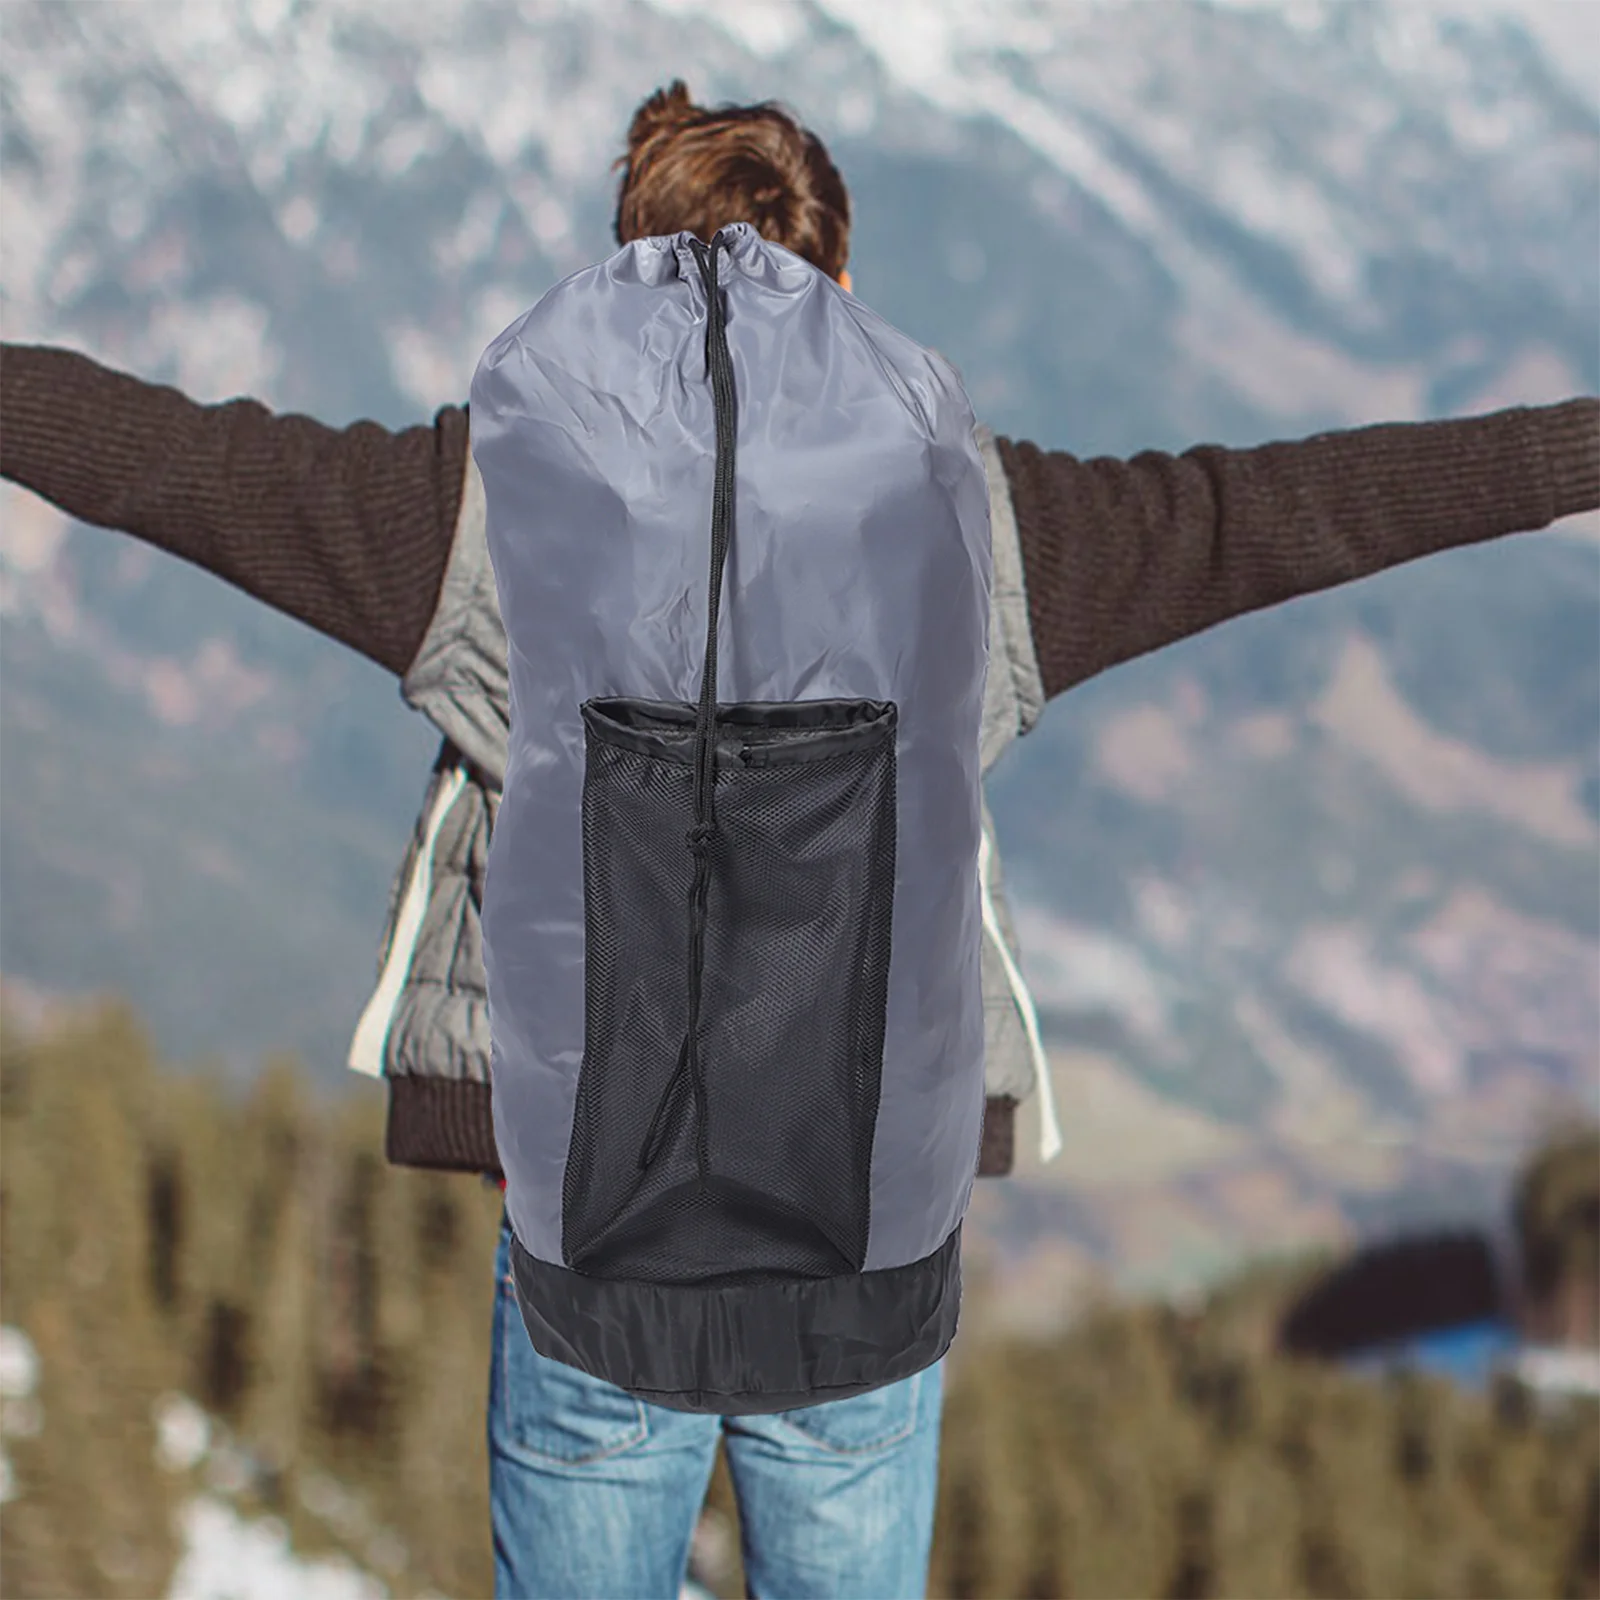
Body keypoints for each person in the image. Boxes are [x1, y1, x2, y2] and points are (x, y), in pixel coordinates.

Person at [2, 77, 1596, 1600]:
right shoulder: (980, 525)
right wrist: (1574, 448)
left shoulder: (480, 511)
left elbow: (165, 461)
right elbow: (1279, 510)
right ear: (839, 287)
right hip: (863, 1262)